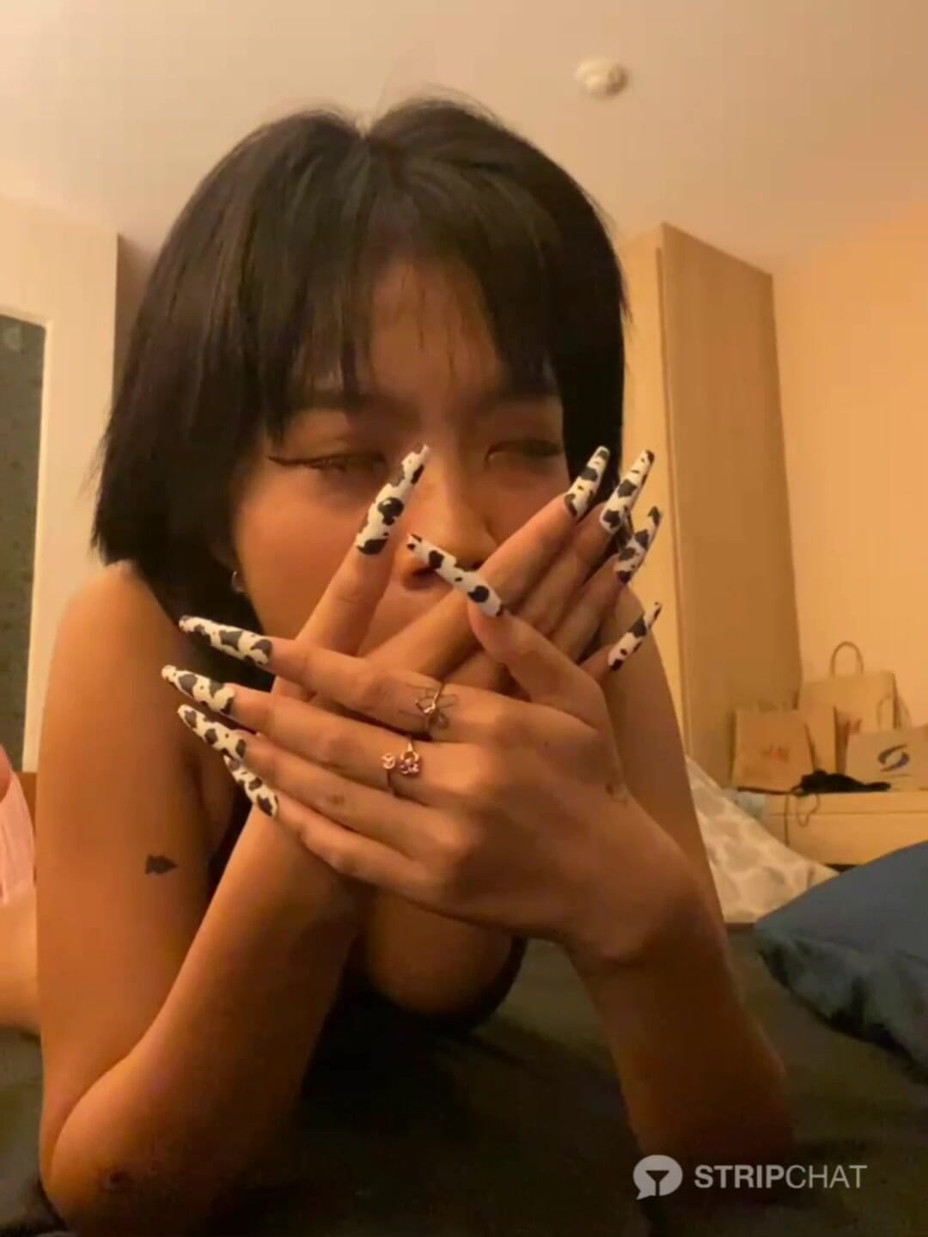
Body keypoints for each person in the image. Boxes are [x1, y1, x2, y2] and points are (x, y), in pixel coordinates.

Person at [4, 98, 792, 1234]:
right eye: (347, 459)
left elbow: (739, 1171)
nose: (459, 531)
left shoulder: (580, 627)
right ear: (214, 510)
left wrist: (652, 930)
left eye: (524, 445)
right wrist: (312, 829)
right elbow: (108, 1188)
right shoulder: (138, 640)